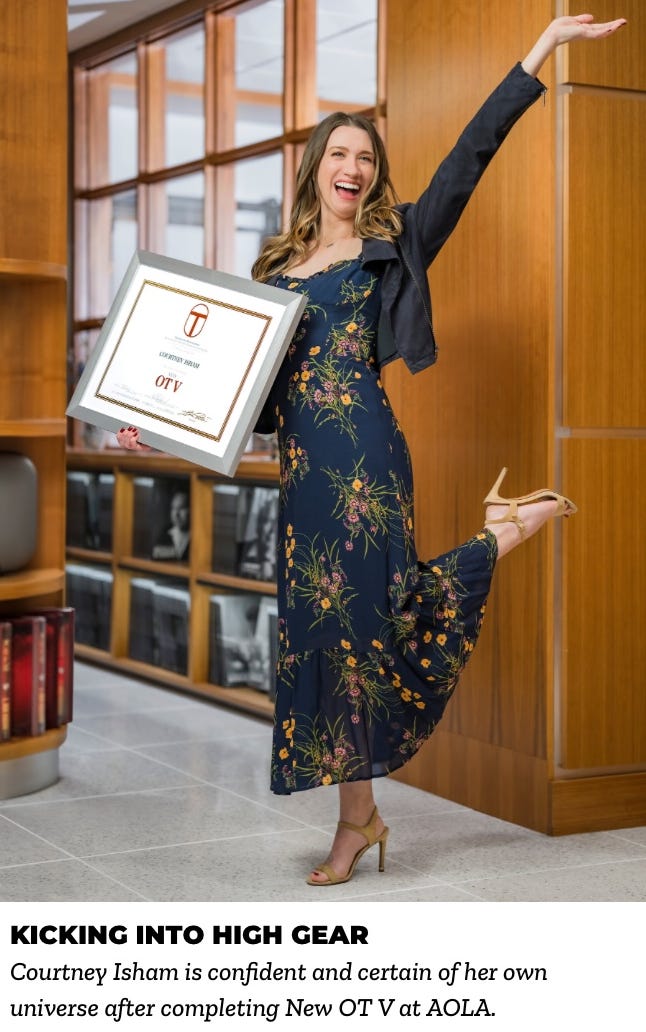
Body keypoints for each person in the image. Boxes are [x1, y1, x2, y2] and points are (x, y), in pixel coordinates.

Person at [118, 13, 626, 887]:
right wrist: (155, 422)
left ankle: (501, 534)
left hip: (367, 465)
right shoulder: (273, 273)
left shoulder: (395, 248)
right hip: (302, 478)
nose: (353, 167)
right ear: (316, 168)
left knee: (376, 624)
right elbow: (244, 402)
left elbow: (470, 155)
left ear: (373, 176)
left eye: (366, 157)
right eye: (340, 154)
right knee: (326, 639)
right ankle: (359, 818)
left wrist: (541, 48)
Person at [151, 488, 190, 561]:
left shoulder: (198, 538)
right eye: (174, 508)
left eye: (181, 508)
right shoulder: (163, 535)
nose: (176, 514)